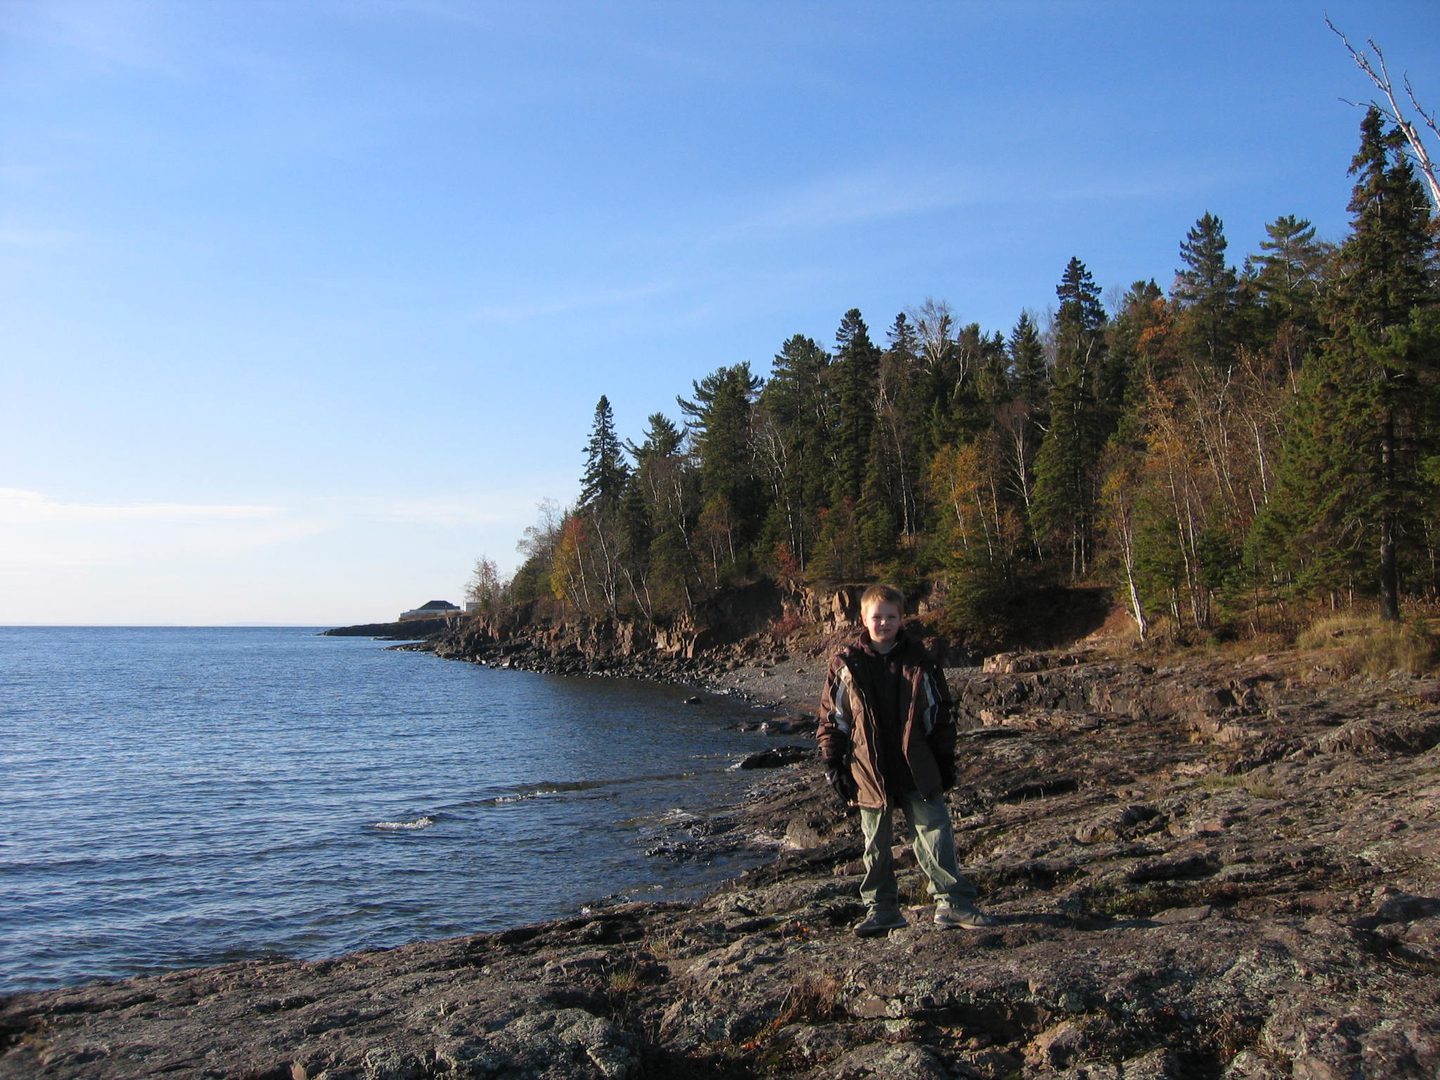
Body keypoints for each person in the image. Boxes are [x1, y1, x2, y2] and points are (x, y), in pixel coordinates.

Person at [816, 583, 991, 937]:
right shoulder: (845, 663)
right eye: (876, 617)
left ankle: (952, 903)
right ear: (863, 619)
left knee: (935, 833)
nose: (883, 623)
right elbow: (832, 719)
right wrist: (834, 765)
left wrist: (944, 760)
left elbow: (939, 713)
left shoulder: (921, 661)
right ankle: (881, 909)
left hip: (918, 764)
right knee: (875, 844)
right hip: (868, 768)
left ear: (901, 619)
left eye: (890, 617)